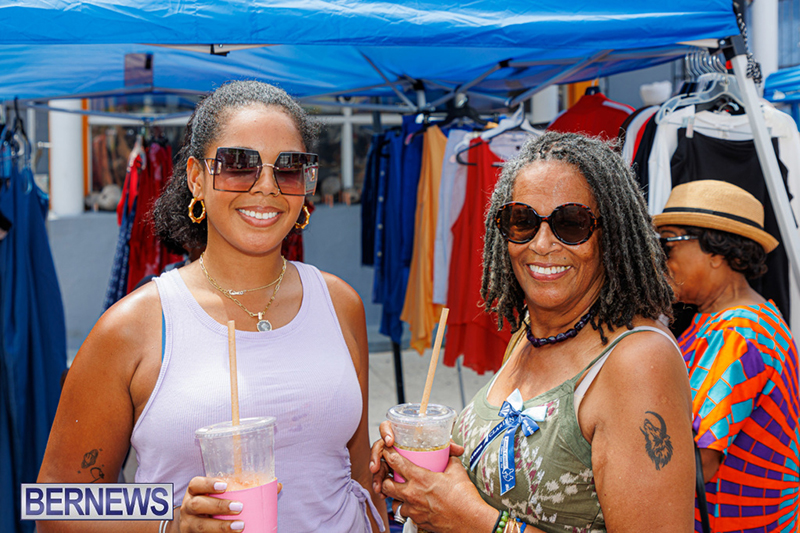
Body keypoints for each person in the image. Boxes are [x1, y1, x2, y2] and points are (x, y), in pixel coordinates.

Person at [37, 80, 388, 533]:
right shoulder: (134, 327)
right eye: (239, 165)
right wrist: (171, 522)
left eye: (289, 169)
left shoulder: (339, 304)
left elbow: (355, 478)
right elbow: (54, 503)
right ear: (196, 178)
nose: (266, 187)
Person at [370, 131, 696, 532]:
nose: (542, 244)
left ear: (612, 235)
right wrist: (422, 462)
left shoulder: (638, 362)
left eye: (571, 224)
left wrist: (473, 520)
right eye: (522, 221)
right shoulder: (530, 334)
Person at [654, 180, 800, 533]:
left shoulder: (737, 334)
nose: (660, 259)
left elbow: (699, 460)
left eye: (668, 244)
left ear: (717, 252)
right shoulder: (746, 318)